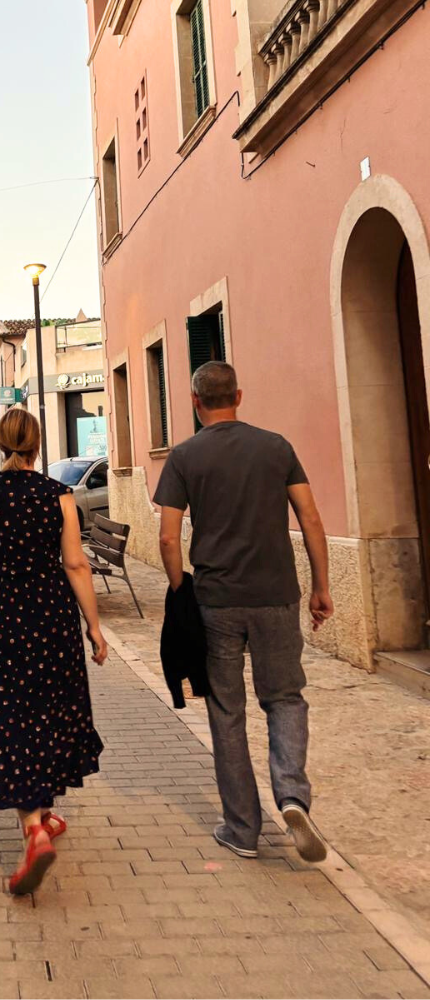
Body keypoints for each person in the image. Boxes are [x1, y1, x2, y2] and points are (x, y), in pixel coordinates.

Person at [155, 361, 333, 863]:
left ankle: (242, 828)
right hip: (277, 595)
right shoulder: (276, 447)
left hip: (216, 600)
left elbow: (169, 536)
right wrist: (321, 586)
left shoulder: (184, 456)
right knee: (285, 698)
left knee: (227, 711)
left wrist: (178, 589)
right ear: (239, 395)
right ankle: (293, 796)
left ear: (195, 402)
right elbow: (311, 518)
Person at [0, 408, 108, 895]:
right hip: (53, 615)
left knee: (10, 711)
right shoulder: (59, 496)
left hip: (6, 616)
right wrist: (94, 626)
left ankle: (34, 825)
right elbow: (75, 564)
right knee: (51, 708)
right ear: (36, 447)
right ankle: (41, 813)